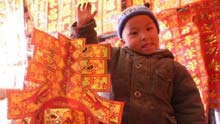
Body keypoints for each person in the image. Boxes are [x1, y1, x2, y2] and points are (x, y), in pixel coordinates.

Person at [71, 2, 206, 124]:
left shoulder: (175, 68)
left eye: (149, 29)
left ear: (158, 32)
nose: (144, 36)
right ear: (123, 41)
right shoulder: (114, 57)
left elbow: (190, 109)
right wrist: (84, 27)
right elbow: (86, 55)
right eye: (134, 33)